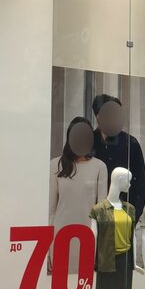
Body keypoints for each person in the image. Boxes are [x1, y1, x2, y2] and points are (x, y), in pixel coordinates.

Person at [50, 117, 107, 274]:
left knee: (84, 284)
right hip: (60, 235)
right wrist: (47, 247)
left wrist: (101, 249)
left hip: (88, 236)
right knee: (58, 284)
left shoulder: (99, 167)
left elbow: (101, 213)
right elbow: (51, 210)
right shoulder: (56, 165)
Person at [91, 94, 145, 215]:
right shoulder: (88, 141)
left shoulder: (130, 143)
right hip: (91, 212)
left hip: (121, 212)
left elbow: (140, 184)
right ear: (98, 116)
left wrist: (133, 215)